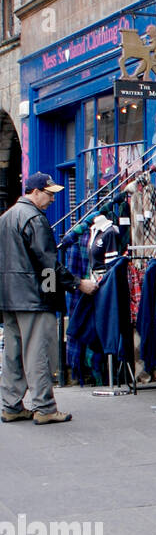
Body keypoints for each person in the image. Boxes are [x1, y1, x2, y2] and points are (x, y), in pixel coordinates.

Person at [0, 173, 96, 424]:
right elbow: (47, 265)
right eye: (49, 193)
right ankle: (45, 407)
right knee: (38, 352)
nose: (53, 198)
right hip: (33, 296)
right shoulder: (34, 218)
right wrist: (75, 284)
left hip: (10, 296)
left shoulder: (6, 217)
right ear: (34, 192)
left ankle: (11, 405)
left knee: (13, 353)